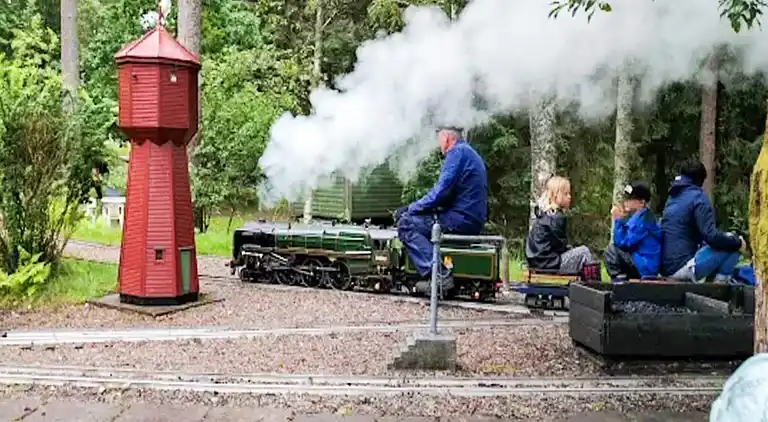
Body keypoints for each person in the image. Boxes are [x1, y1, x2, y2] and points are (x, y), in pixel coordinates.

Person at [396, 126, 488, 295]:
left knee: (406, 223)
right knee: (415, 218)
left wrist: (410, 209)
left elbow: (440, 192)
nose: (438, 144)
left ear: (446, 138)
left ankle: (440, 275)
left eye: (438, 138)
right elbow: (447, 196)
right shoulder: (469, 153)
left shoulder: (457, 154)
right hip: (468, 217)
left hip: (461, 219)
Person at [660, 159, 747, 283]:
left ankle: (712, 286)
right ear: (701, 180)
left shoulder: (672, 198)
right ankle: (718, 291)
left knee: (727, 241)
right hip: (682, 268)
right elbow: (711, 237)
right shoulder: (698, 198)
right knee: (734, 246)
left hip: (666, 268)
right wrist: (738, 242)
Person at [525, 176, 596, 275]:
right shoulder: (556, 217)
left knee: (577, 252)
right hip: (549, 264)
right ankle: (594, 286)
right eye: (566, 194)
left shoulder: (544, 215)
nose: (569, 197)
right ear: (556, 196)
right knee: (584, 252)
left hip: (538, 262)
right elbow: (560, 247)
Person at [603, 181, 662, 282]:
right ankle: (620, 281)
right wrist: (620, 221)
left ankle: (618, 284)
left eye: (630, 199)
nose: (626, 201)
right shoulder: (637, 218)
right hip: (639, 261)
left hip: (645, 267)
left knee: (611, 251)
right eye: (626, 198)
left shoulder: (645, 220)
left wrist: (617, 220)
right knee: (613, 250)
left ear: (642, 202)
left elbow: (624, 243)